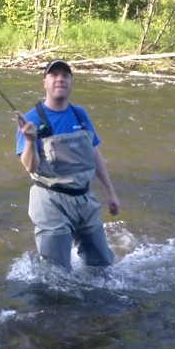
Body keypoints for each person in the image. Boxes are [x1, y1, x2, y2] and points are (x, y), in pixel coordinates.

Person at [15, 59, 120, 272]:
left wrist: (111, 193)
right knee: (57, 274)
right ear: (44, 82)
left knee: (103, 267)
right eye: (54, 75)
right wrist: (30, 140)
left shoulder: (79, 114)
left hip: (85, 200)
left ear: (71, 82)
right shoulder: (31, 120)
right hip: (50, 201)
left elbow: (94, 152)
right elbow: (30, 167)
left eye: (65, 75)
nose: (60, 79)